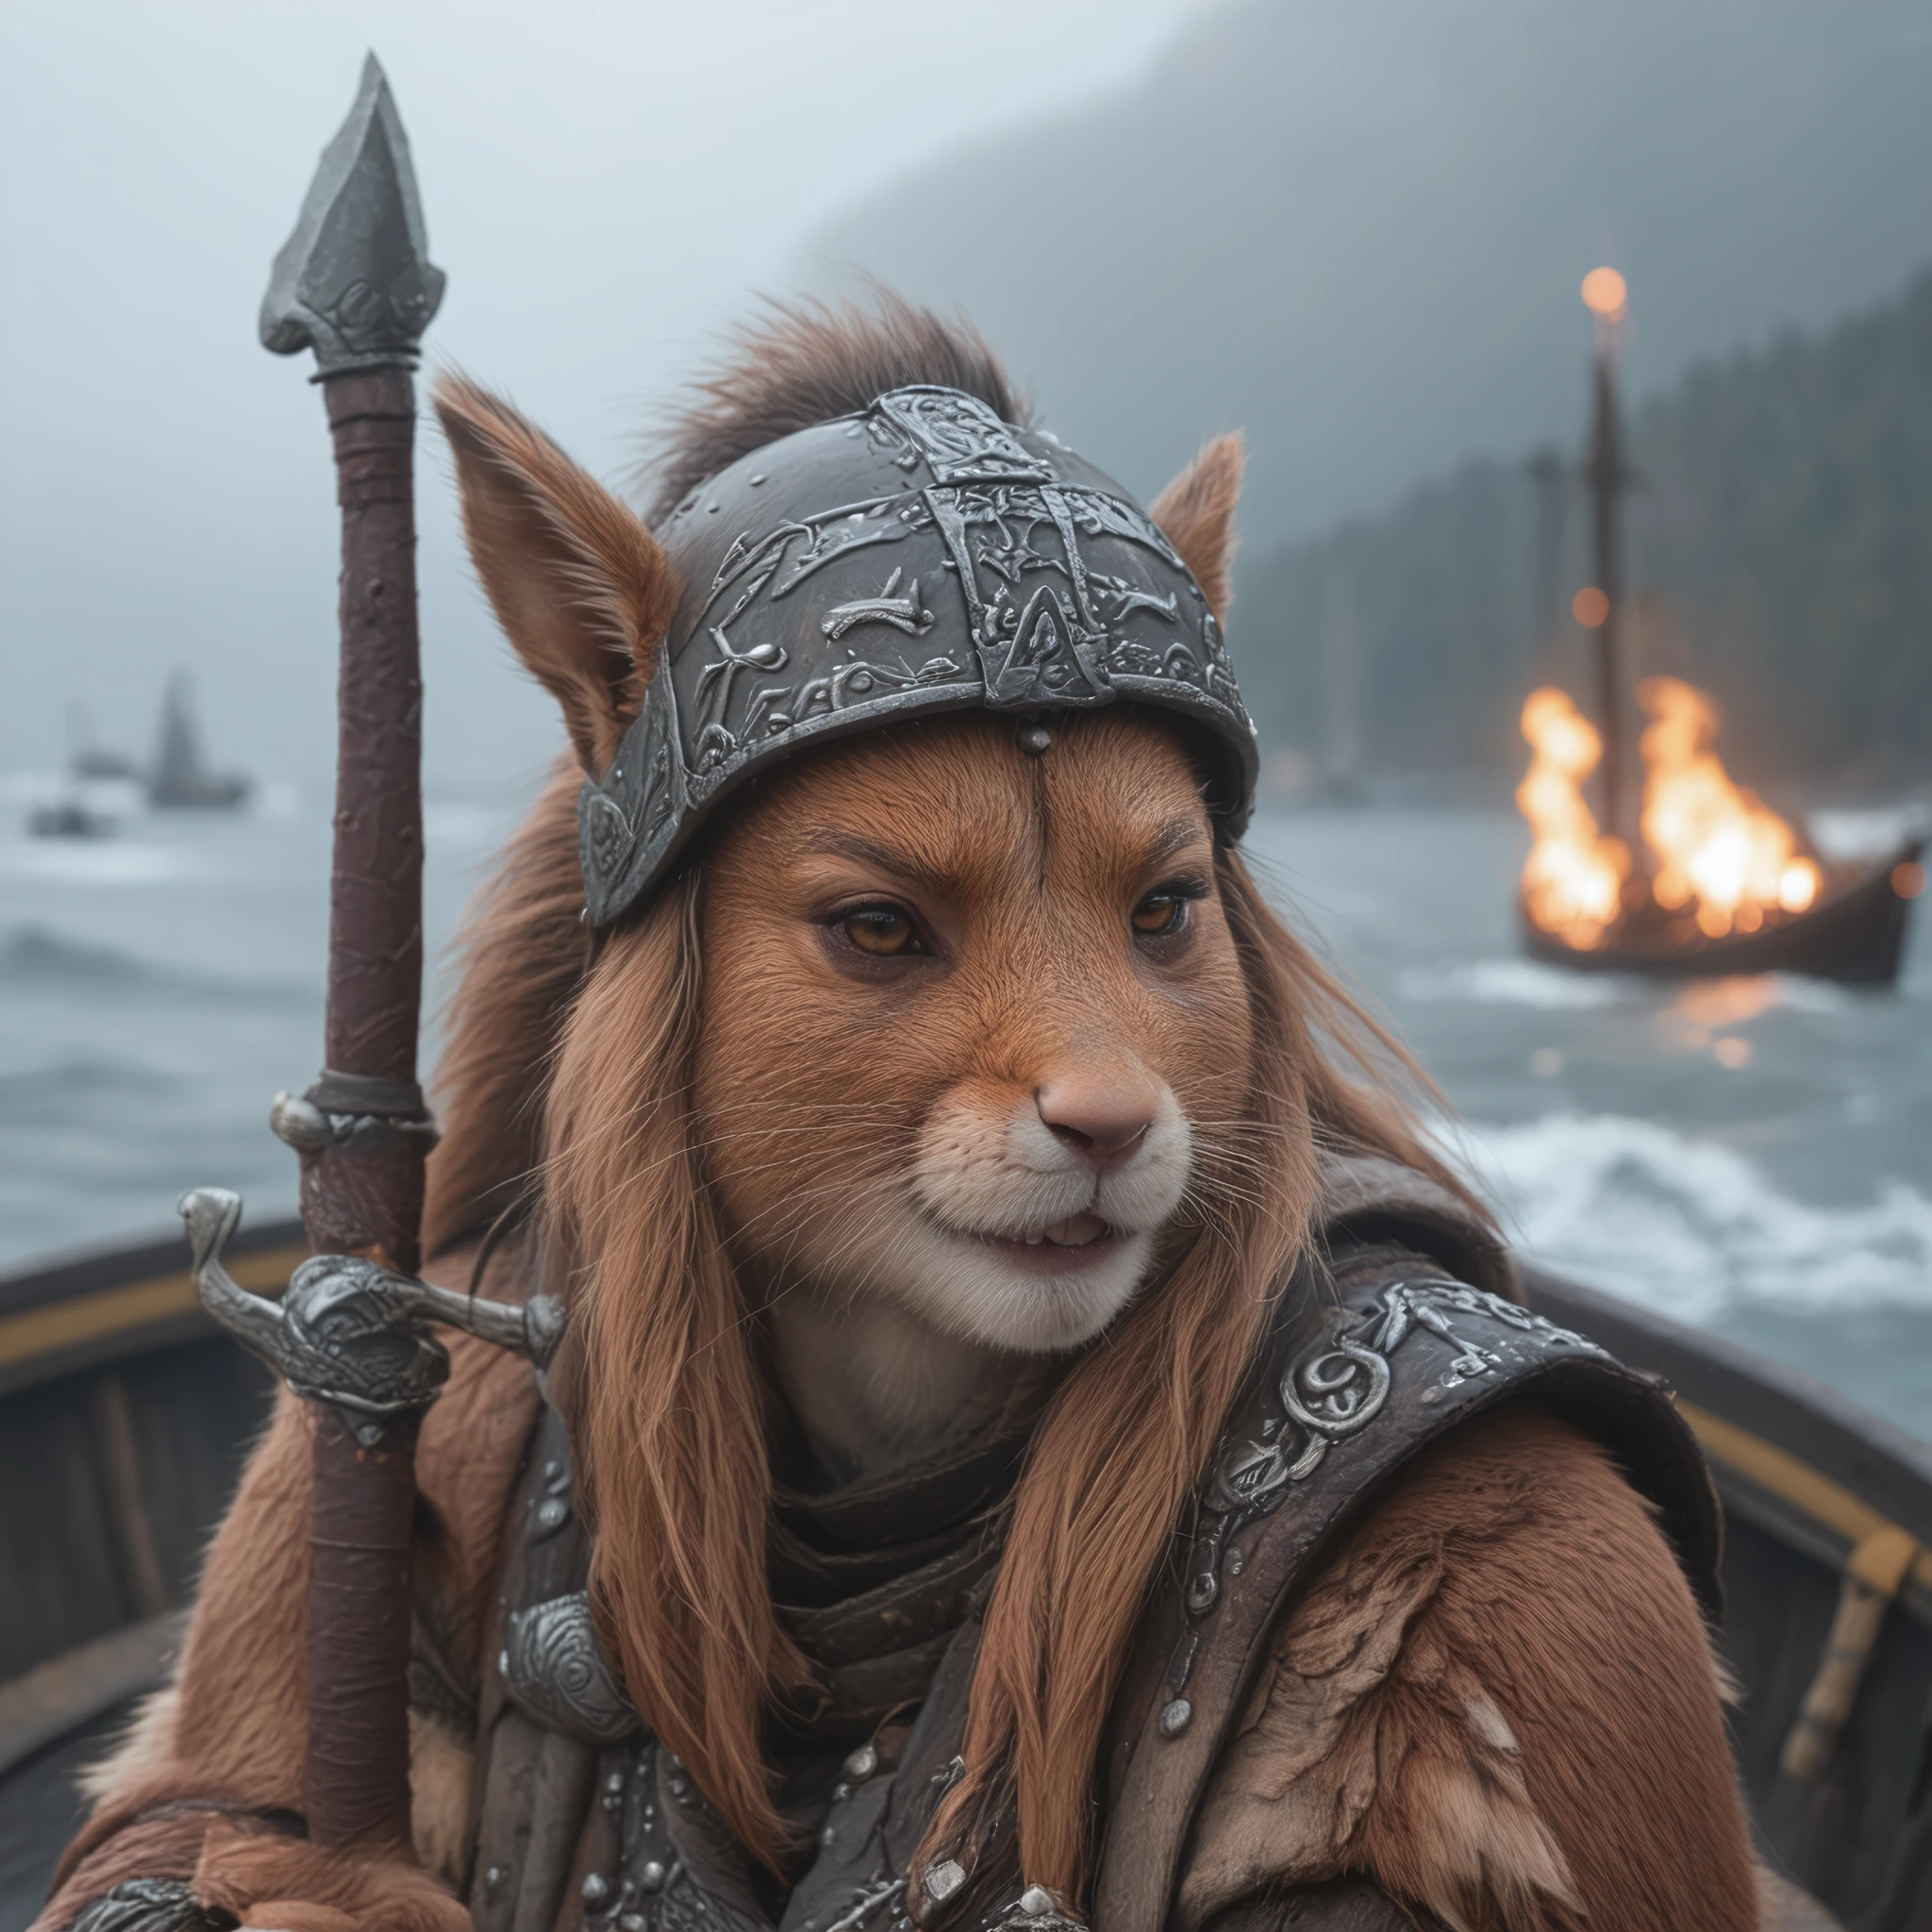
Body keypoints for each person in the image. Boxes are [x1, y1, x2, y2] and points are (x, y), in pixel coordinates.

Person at [42, 298, 1759, 1932]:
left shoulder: (1491, 1576)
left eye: (1161, 914)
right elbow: (200, 1819)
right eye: (884, 929)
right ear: (671, 987)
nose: (1101, 1086)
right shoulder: (451, 1405)